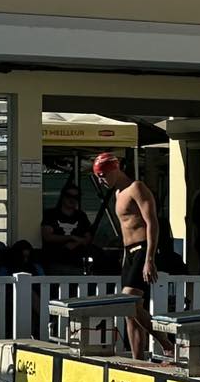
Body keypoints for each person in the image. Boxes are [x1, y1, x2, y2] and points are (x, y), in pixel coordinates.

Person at [94, 151, 160, 362]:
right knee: (130, 312)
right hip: (129, 254)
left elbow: (152, 223)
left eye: (103, 175)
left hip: (142, 250)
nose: (101, 180)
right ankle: (138, 360)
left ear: (115, 169)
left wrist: (149, 258)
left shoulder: (136, 188)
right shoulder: (117, 193)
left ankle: (167, 344)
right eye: (98, 176)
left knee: (129, 302)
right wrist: (124, 257)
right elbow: (125, 229)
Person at [40, 183, 94, 274]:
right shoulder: (51, 214)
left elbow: (88, 238)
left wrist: (76, 243)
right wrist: (70, 237)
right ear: (63, 196)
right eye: (69, 196)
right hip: (55, 263)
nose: (72, 199)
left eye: (76, 197)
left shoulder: (81, 216)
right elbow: (47, 236)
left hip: (77, 264)